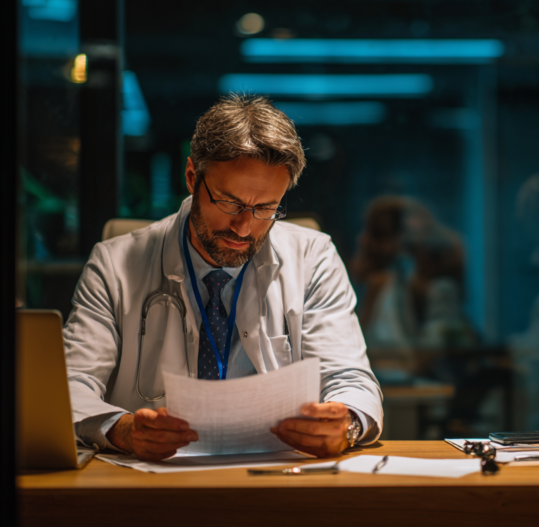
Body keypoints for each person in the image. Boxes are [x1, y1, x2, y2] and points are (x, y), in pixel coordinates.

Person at [64, 95, 383, 461]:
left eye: (265, 208)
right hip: (153, 482)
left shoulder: (313, 257)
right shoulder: (114, 264)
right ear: (191, 177)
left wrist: (346, 424)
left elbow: (351, 380)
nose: (244, 228)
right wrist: (121, 430)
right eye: (230, 203)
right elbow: (71, 385)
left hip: (275, 477)